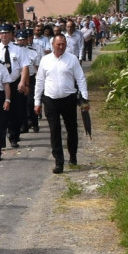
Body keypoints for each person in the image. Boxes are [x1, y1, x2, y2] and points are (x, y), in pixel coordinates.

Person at [34, 33, 89, 174]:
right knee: (55, 130)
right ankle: (59, 161)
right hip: (50, 99)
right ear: (53, 44)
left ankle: (73, 155)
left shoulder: (72, 59)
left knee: (71, 129)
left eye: (63, 44)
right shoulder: (45, 60)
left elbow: (81, 79)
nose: (61, 47)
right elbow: (39, 81)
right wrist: (37, 101)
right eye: (58, 44)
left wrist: (84, 98)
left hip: (68, 99)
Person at [0, 24, 31, 149]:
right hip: (1, 85)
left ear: (11, 35)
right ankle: (4, 135)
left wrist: (23, 82)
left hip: (15, 83)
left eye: (6, 33)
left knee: (17, 112)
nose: (4, 35)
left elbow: (25, 66)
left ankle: (14, 136)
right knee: (3, 112)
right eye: (2, 33)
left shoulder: (19, 49)